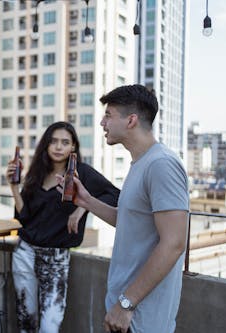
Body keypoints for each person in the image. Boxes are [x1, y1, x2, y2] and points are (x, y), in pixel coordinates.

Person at [67, 85, 189, 333]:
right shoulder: (140, 164)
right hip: (126, 311)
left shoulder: (162, 164)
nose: (102, 122)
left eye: (109, 115)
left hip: (142, 316)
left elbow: (174, 243)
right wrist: (87, 201)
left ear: (131, 120)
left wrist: (126, 303)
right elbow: (131, 221)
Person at [5, 121, 120, 333]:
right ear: (46, 145)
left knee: (50, 325)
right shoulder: (37, 173)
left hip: (56, 257)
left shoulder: (81, 173)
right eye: (54, 141)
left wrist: (81, 209)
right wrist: (14, 187)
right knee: (25, 320)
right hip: (25, 252)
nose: (58, 147)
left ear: (74, 147)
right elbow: (25, 216)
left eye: (65, 142)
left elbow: (114, 195)